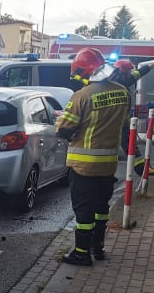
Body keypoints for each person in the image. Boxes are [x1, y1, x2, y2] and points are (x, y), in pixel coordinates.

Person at [56, 48, 133, 266]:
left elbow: (64, 131)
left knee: (84, 210)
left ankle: (81, 252)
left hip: (84, 166)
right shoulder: (122, 92)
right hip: (108, 164)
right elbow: (124, 122)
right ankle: (97, 247)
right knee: (101, 208)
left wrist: (60, 119)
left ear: (85, 71)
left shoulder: (82, 95)